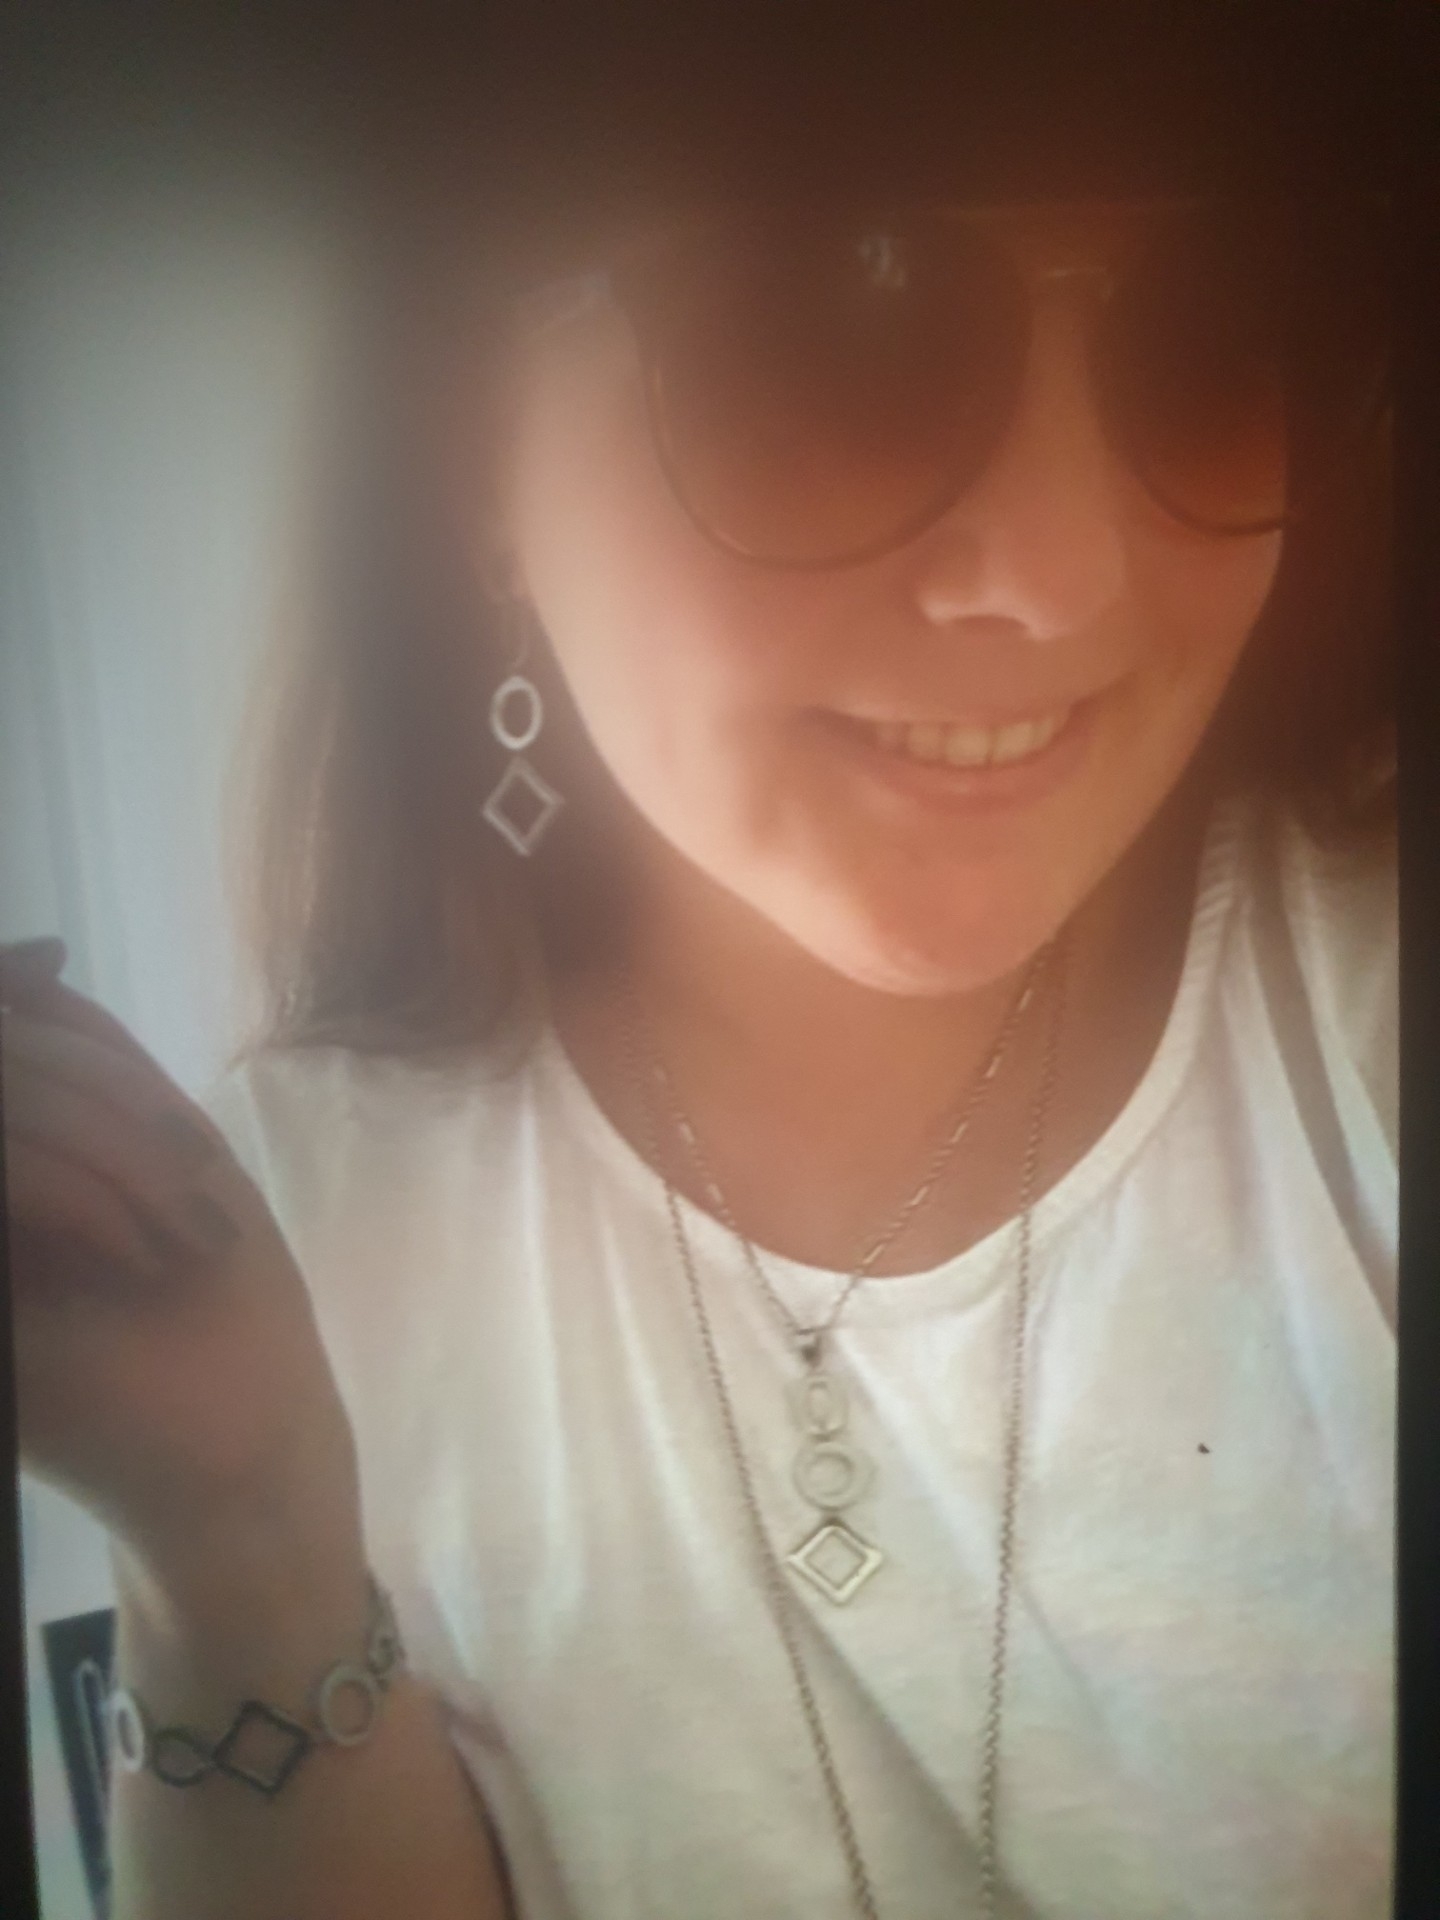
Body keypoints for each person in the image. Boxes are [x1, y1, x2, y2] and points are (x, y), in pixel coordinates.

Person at [3, 13, 1397, 1919]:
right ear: (473, 455)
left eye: (1219, 332)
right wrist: (236, 1544)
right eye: (840, 327)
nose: (1065, 569)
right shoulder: (282, 1239)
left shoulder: (1366, 1015)